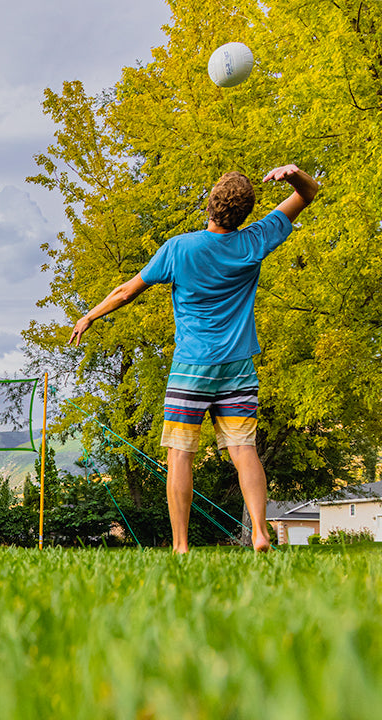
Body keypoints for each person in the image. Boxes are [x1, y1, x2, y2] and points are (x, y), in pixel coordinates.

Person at [69, 163, 320, 553]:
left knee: (180, 454)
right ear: (244, 213)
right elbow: (308, 193)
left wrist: (89, 315)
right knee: (243, 450)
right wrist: (293, 174)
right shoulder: (255, 240)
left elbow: (125, 292)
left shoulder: (178, 249)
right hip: (238, 367)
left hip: (191, 367)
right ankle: (259, 531)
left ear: (210, 205)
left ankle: (181, 545)